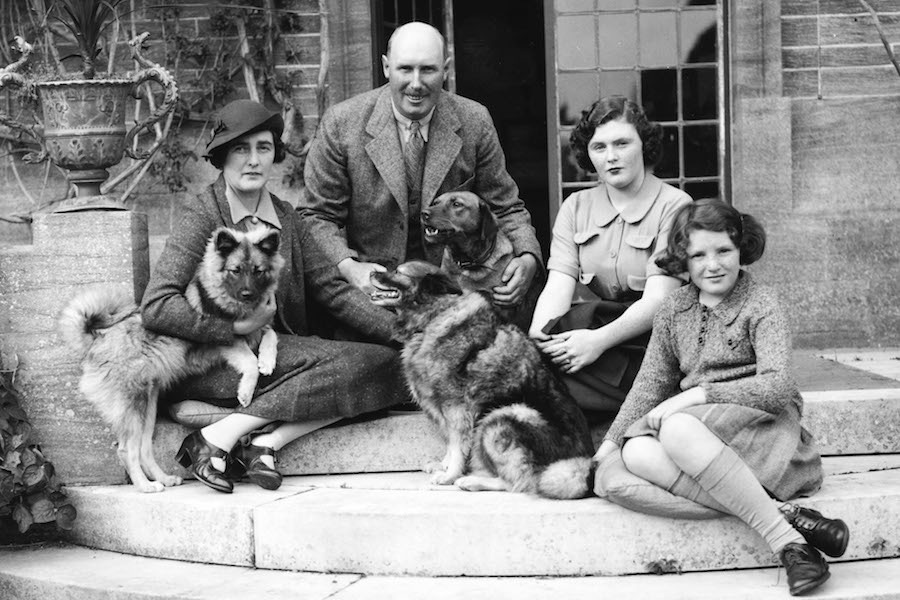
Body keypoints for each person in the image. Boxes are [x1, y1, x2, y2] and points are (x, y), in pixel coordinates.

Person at [141, 99, 406, 494]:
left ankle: (243, 439)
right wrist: (234, 326)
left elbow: (331, 289)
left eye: (263, 148)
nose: (253, 160)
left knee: (393, 362)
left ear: (274, 155)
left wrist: (406, 333)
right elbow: (157, 304)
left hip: (280, 353)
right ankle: (242, 438)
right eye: (240, 149)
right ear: (221, 157)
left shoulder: (286, 217)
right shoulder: (202, 215)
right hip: (215, 360)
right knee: (365, 373)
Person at [594, 199, 848, 596]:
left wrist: (695, 395)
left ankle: (786, 545)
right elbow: (650, 383)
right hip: (701, 442)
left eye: (723, 251)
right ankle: (789, 520)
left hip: (760, 431)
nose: (712, 265)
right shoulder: (674, 309)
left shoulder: (761, 303)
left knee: (675, 427)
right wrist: (610, 442)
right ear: (682, 259)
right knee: (632, 457)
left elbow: (777, 386)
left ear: (741, 248)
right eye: (698, 255)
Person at [300, 21, 542, 337]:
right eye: (405, 69)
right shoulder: (342, 124)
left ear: (445, 70)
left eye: (427, 70)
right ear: (387, 67)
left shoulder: (474, 121)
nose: (416, 83)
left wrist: (528, 257)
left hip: (450, 290)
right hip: (374, 290)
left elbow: (506, 207)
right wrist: (350, 267)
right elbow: (317, 216)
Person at [529, 96, 691, 411]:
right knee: (536, 370)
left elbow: (659, 302)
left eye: (622, 144)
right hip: (592, 338)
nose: (611, 157)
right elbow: (557, 288)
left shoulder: (675, 205)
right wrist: (539, 337)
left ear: (644, 145)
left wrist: (597, 342)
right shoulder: (575, 207)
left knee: (552, 393)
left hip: (650, 340)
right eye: (599, 147)